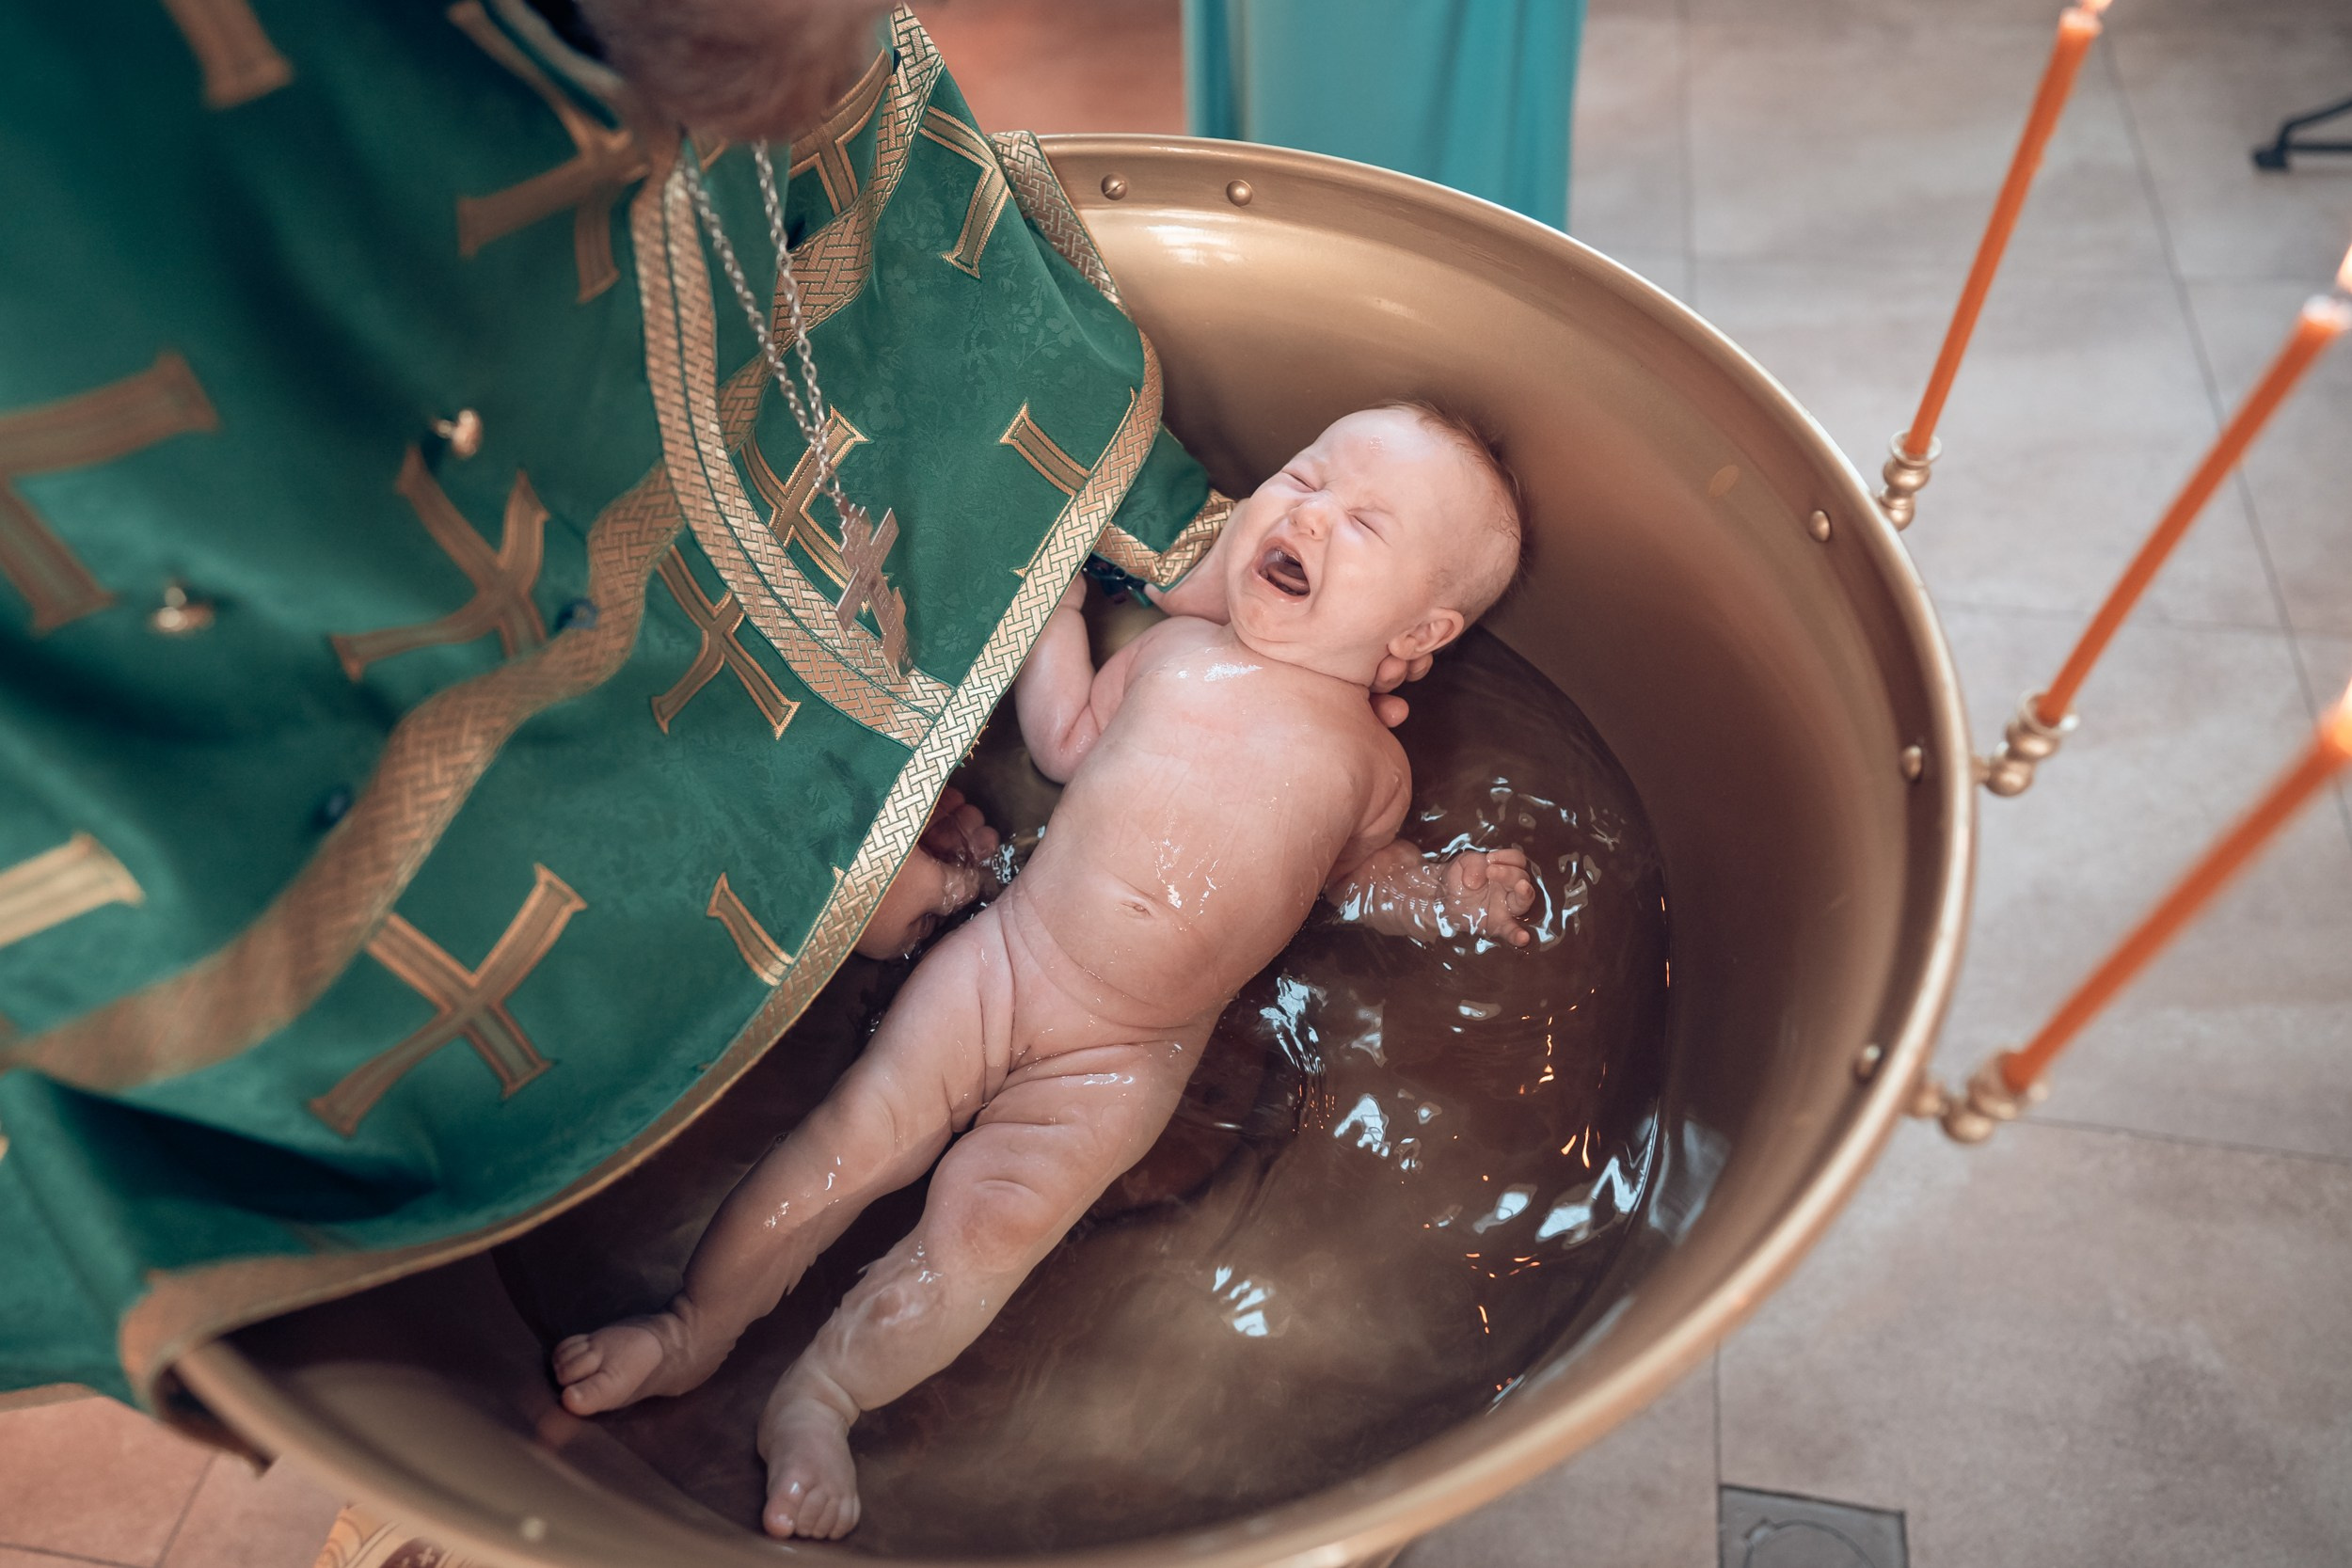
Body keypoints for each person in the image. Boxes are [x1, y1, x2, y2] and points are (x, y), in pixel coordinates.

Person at [549, 402, 1534, 1538]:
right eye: (1303, 475)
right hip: (1010, 961)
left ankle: (823, 1395)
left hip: (1131, 1060)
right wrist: (1048, 608)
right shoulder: (1177, 651)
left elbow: (1351, 880)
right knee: (844, 1147)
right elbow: (1064, 742)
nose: (1308, 510)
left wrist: (1442, 897)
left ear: (1421, 629)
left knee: (985, 1238)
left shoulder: (1373, 766)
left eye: (1363, 521)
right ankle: (689, 1332)